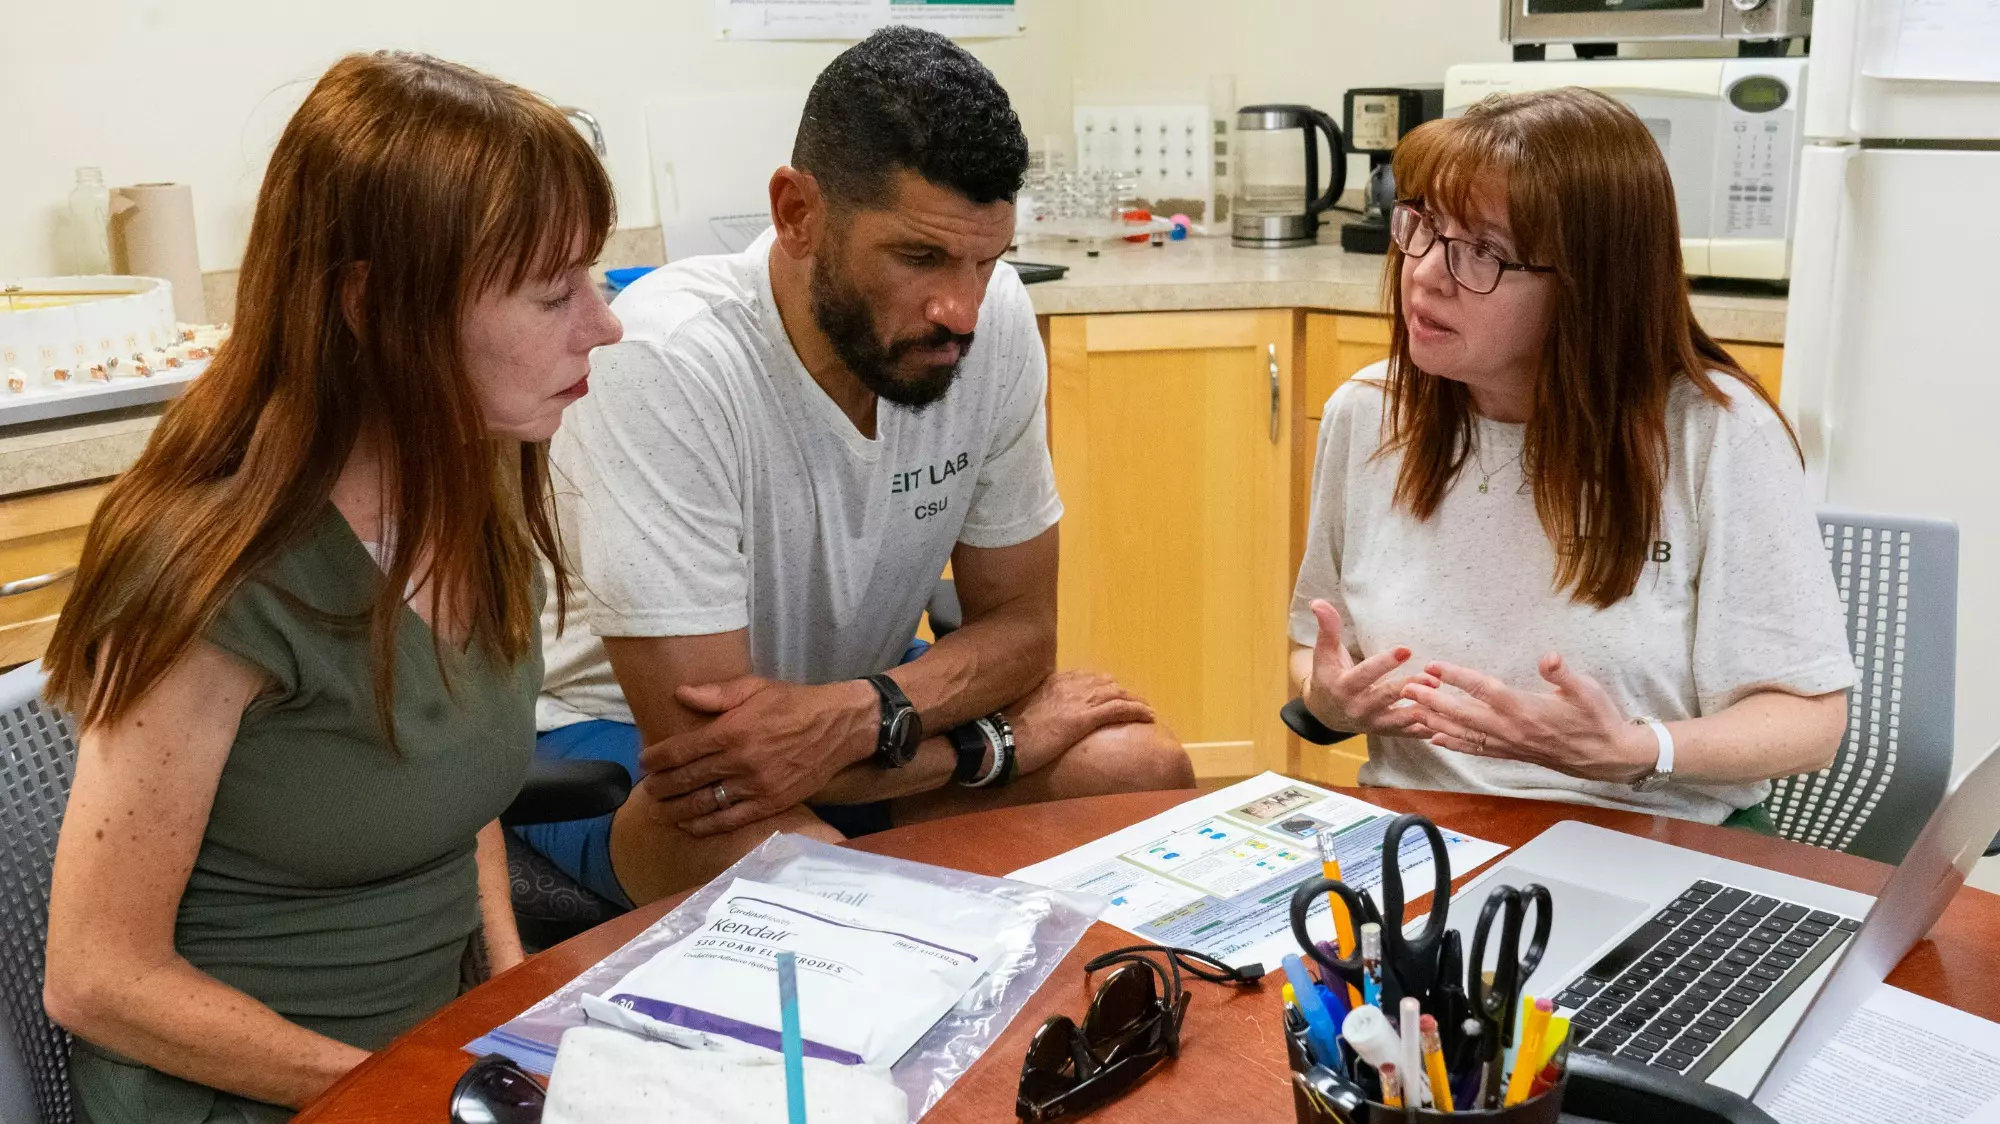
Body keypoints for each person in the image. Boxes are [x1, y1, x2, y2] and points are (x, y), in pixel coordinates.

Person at [39, 53, 622, 1121]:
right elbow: (95, 979)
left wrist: (507, 1003)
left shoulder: (468, 476)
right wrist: (417, 1087)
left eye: (592, 276)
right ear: (370, 303)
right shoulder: (211, 568)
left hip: (435, 1065)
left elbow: (458, 799)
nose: (604, 322)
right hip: (256, 1090)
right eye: (552, 293)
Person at [527, 26, 1193, 908]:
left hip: (863, 721)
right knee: (817, 893)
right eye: (919, 257)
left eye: (985, 261)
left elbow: (1026, 629)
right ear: (798, 213)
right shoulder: (667, 359)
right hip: (628, 756)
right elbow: (724, 760)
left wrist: (858, 715)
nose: (960, 308)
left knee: (1142, 769)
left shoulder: (989, 325)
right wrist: (985, 744)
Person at [1289, 87, 1854, 827]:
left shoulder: (1716, 434)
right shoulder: (1367, 415)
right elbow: (1312, 654)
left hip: (1654, 840)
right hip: (1420, 840)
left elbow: (1809, 721)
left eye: (1482, 253)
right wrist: (1328, 700)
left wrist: (1637, 749)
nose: (1425, 272)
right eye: (1423, 227)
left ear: (1591, 288)